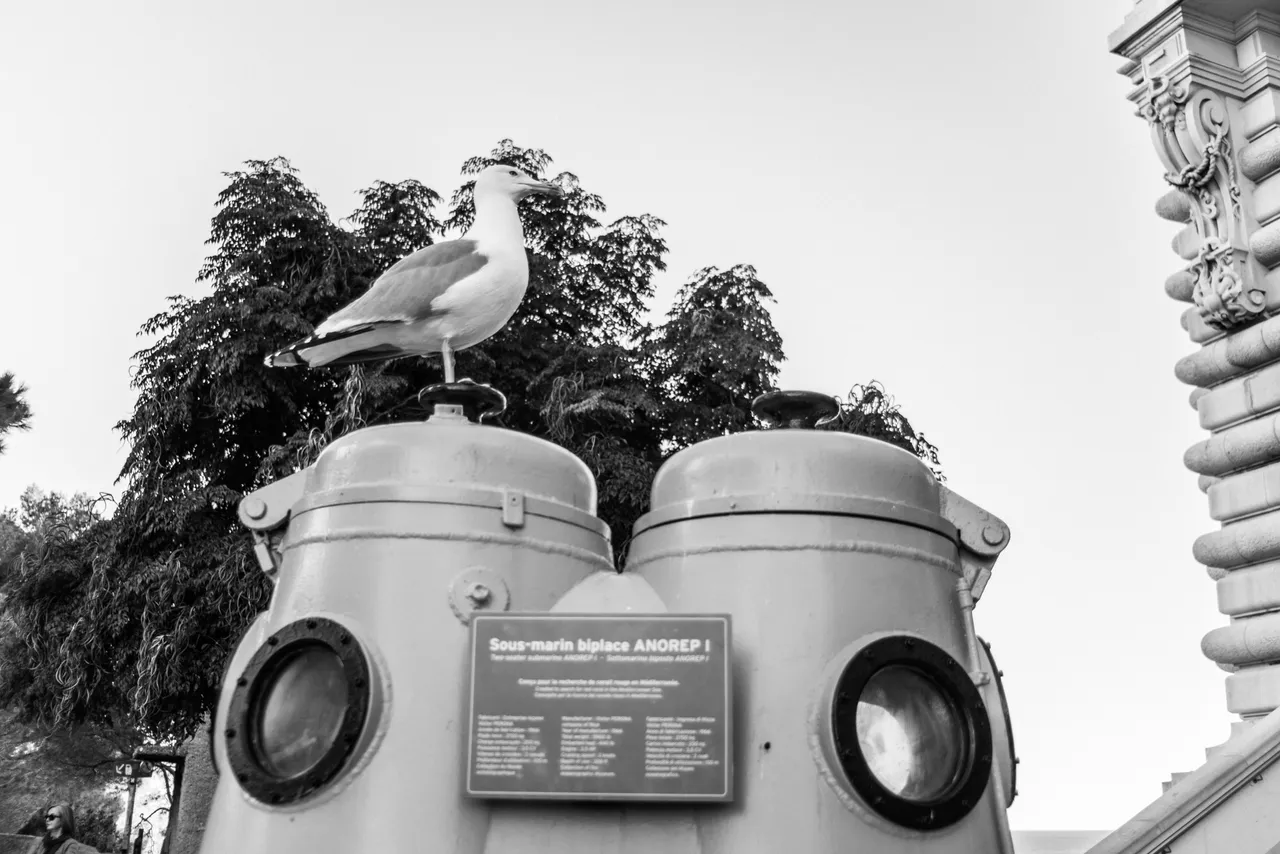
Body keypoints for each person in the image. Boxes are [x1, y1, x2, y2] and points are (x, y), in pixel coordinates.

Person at [30, 803, 99, 854]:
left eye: (52, 817)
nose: (47, 819)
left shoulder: (70, 845)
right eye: (46, 817)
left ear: (63, 820)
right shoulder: (42, 842)